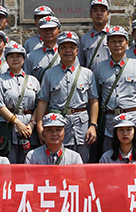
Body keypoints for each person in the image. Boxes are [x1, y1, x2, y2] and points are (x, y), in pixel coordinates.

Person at [34, 31, 98, 163]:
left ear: (77, 50)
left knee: (82, 160)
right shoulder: (49, 74)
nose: (68, 51)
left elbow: (93, 101)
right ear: (58, 50)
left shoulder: (87, 74)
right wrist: (39, 124)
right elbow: (43, 101)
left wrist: (92, 125)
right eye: (63, 47)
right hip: (56, 124)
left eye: (71, 47)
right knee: (57, 160)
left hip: (81, 125)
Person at [94, 25, 136, 149]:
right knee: (109, 154)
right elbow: (96, 97)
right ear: (107, 44)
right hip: (109, 120)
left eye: (120, 41)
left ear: (127, 43)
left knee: (133, 154)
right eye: (113, 41)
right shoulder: (100, 67)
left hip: (131, 117)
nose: (117, 45)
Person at [0, 42, 40, 163]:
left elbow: (39, 105)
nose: (15, 59)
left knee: (29, 162)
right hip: (8, 128)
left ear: (24, 59)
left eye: (18, 56)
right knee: (9, 163)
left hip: (29, 129)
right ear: (6, 60)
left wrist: (31, 124)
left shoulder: (33, 80)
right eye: (11, 56)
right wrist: (17, 123)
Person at [24, 15, 61, 81]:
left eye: (52, 29)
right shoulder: (31, 57)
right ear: (40, 32)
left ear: (58, 32)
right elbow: (27, 81)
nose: (48, 32)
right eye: (45, 29)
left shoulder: (66, 54)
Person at [79, 0, 111, 69]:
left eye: (102, 10)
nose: (99, 13)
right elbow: (81, 64)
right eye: (95, 10)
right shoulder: (84, 39)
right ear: (90, 14)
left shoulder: (115, 36)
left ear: (107, 14)